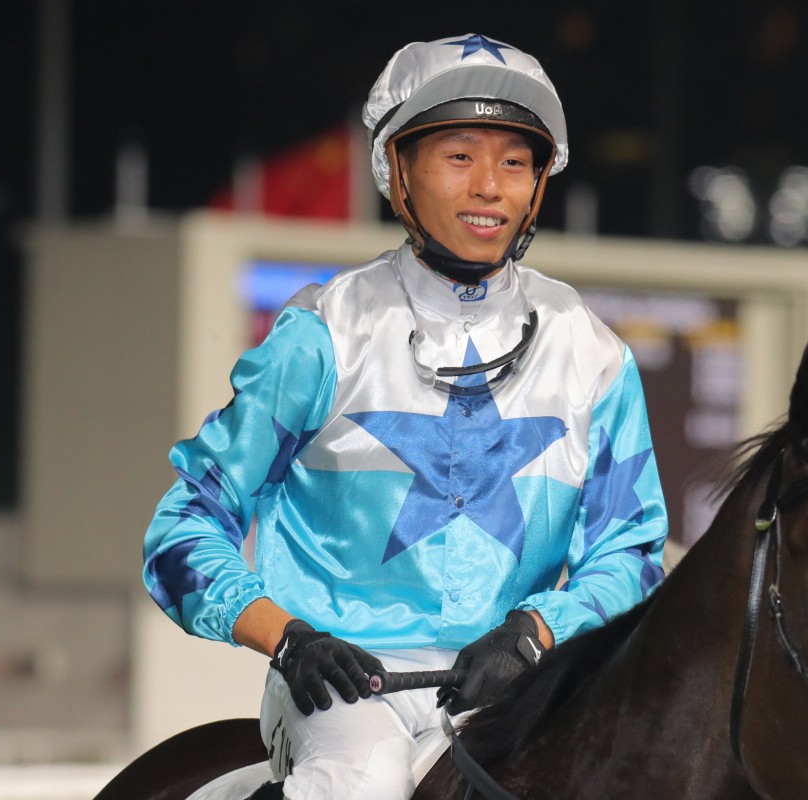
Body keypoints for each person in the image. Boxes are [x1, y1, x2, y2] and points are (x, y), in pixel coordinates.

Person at [142, 33, 667, 800]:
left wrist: (535, 630)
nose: (490, 186)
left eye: (515, 162)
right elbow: (182, 528)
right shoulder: (322, 333)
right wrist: (288, 639)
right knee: (364, 782)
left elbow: (632, 551)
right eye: (459, 156)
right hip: (344, 695)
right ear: (397, 170)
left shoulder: (593, 351)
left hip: (511, 687)